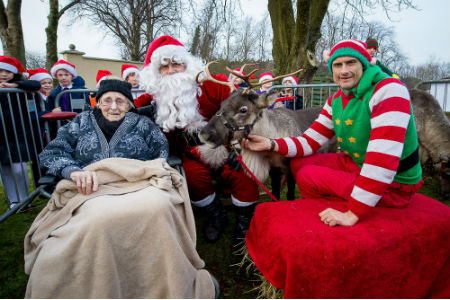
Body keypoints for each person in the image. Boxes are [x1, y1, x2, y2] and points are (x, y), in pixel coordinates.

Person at [24, 79, 218, 298]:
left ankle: (165, 280)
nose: (114, 106)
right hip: (93, 186)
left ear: (130, 104)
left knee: (159, 206)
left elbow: (160, 154)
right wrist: (73, 171)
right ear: (97, 102)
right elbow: (51, 153)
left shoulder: (143, 124)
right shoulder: (80, 122)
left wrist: (139, 171)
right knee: (100, 219)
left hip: (139, 183)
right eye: (107, 100)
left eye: (121, 101)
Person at [242, 39, 422, 227]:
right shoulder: (336, 99)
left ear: (364, 64)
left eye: (351, 62)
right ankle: (325, 207)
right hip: (356, 164)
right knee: (299, 164)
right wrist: (272, 144)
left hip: (395, 183)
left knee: (308, 174)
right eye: (337, 65)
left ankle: (342, 213)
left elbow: (382, 161)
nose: (344, 70)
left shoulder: (389, 90)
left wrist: (353, 214)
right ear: (332, 68)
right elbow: (309, 141)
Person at [139, 35, 260, 243]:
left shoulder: (213, 85)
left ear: (187, 64)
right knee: (193, 181)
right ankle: (216, 215)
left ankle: (245, 219)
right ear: (156, 72)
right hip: (191, 153)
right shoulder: (156, 96)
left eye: (176, 64)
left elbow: (246, 110)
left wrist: (242, 145)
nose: (171, 71)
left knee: (242, 174)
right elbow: (128, 106)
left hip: (226, 147)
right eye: (164, 67)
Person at [0, 56, 41, 210]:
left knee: (19, 168)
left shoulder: (19, 86)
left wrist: (14, 85)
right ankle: (13, 200)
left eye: (7, 71)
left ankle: (24, 199)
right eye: (1, 71)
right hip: (1, 136)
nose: (4, 74)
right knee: (5, 170)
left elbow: (35, 84)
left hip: (18, 133)